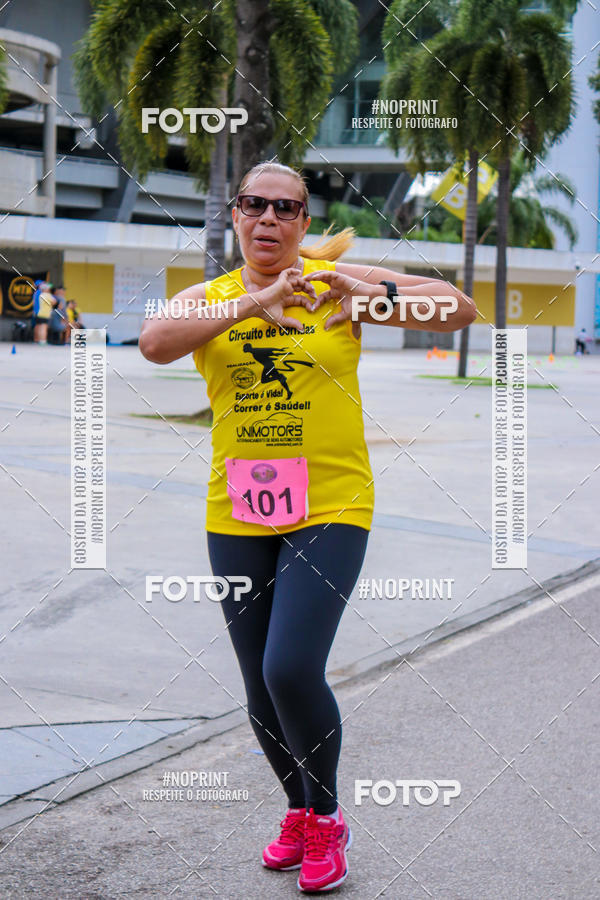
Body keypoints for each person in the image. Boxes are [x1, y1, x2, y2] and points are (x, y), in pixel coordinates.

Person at [139, 161, 476, 893]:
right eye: (254, 205)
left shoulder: (335, 286)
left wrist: (368, 292)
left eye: (285, 208)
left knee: (290, 667)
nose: (268, 219)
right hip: (237, 511)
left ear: (303, 222)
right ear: (235, 215)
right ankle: (298, 812)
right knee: (260, 689)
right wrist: (254, 304)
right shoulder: (215, 297)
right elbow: (156, 343)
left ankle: (326, 820)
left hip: (331, 504)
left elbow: (458, 310)